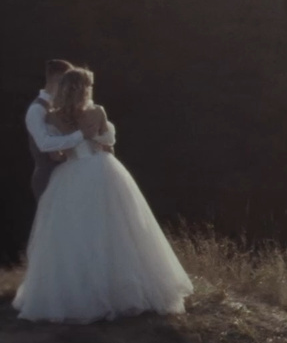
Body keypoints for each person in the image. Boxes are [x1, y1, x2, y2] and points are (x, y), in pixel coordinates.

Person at [13, 66, 193, 322]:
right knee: (116, 228)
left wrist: (78, 140)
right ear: (83, 88)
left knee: (79, 233)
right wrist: (91, 137)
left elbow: (56, 152)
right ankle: (119, 287)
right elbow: (108, 138)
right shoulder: (95, 111)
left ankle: (85, 290)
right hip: (101, 169)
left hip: (72, 173)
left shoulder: (53, 118)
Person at [27, 58, 112, 199]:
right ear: (58, 79)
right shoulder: (37, 109)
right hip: (49, 175)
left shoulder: (65, 108)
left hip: (71, 173)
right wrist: (81, 135)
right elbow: (44, 144)